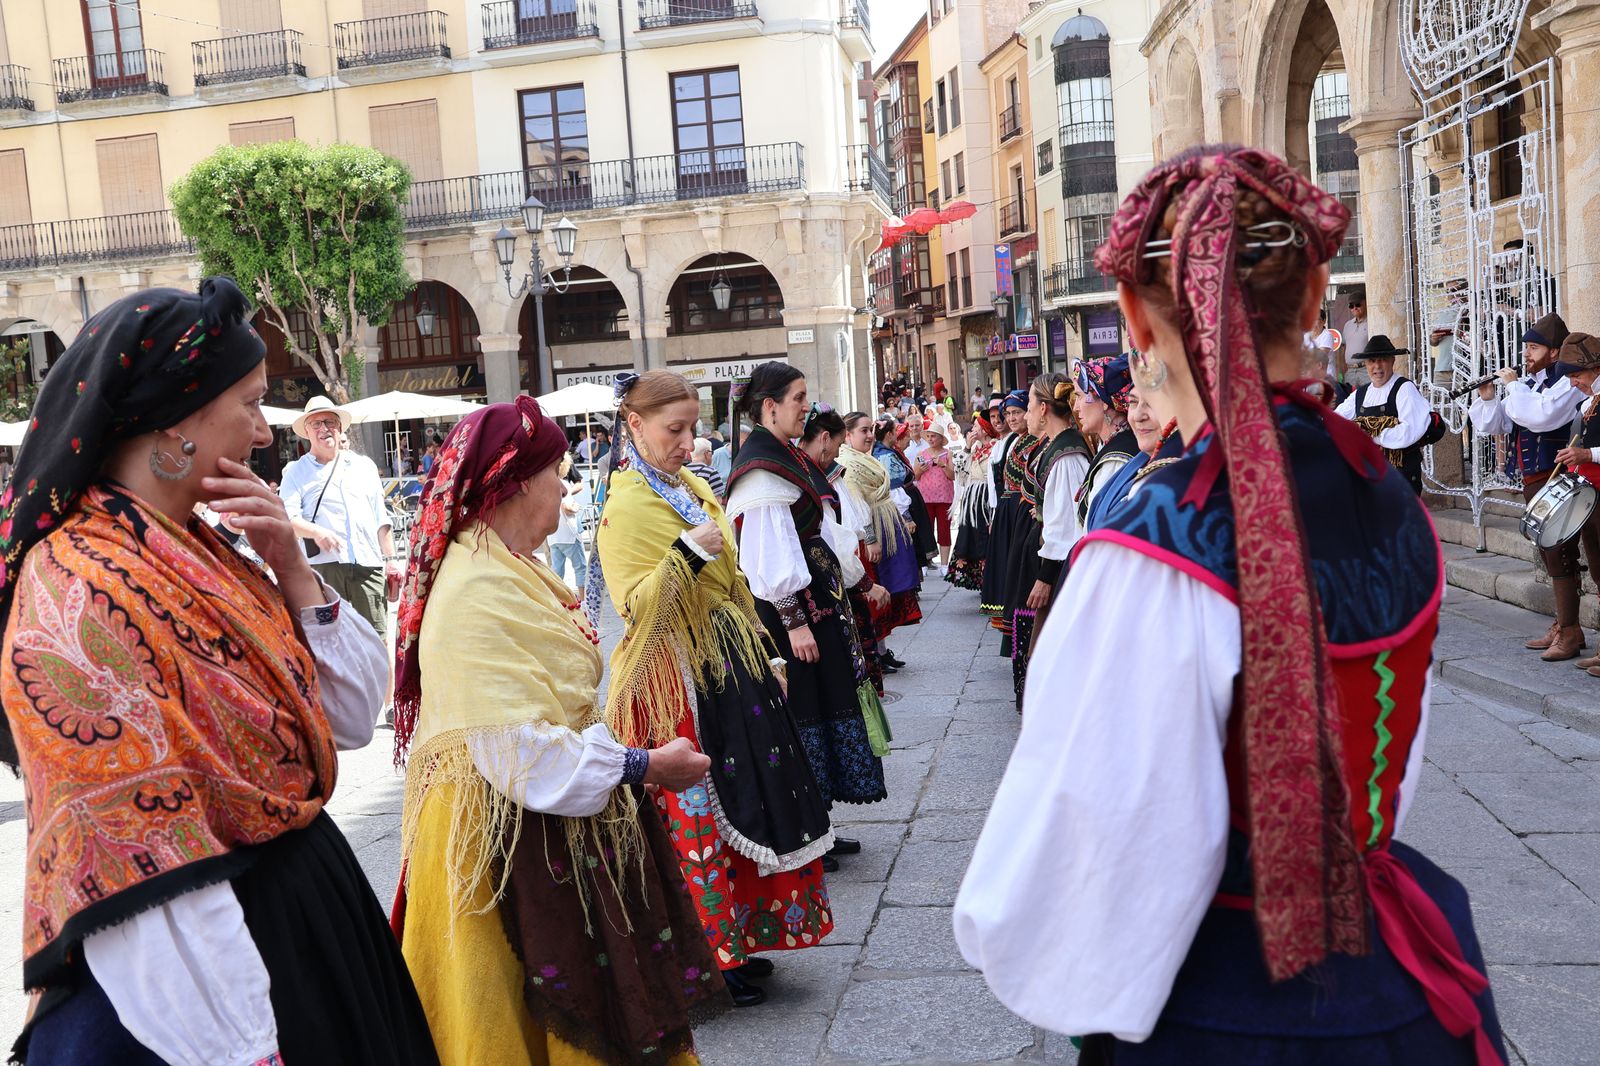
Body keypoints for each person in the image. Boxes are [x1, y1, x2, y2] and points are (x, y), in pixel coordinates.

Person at [955, 145, 1504, 1064]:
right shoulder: (1385, 491)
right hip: (1402, 977)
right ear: (1319, 287)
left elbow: (1083, 865)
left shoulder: (1157, 536)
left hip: (1227, 1009)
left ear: (1134, 315)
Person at [1, 278, 437, 1064]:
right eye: (251, 401)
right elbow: (152, 869)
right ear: (176, 423)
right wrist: (243, 1046)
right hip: (218, 960)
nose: (265, 434)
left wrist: (292, 570)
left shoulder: (199, 546)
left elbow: (347, 720)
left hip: (303, 913)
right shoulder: (80, 584)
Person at [390, 395, 727, 1062]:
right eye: (558, 473)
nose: (565, 489)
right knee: (529, 1020)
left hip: (548, 820)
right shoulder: (475, 591)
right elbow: (522, 757)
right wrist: (646, 765)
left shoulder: (509, 567)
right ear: (513, 482)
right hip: (508, 847)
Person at [725, 363, 889, 840]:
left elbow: (823, 534)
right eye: (798, 398)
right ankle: (807, 831)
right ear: (770, 406)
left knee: (823, 708)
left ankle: (820, 825)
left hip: (817, 605)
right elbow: (767, 559)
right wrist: (795, 623)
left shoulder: (785, 455)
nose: (806, 407)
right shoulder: (760, 470)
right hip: (793, 616)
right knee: (804, 717)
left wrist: (857, 584)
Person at [1471, 310, 1589, 660]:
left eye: (1534, 348)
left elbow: (1542, 416)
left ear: (1554, 351)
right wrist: (1490, 397)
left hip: (1558, 478)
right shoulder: (1534, 384)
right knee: (1549, 552)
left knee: (1559, 553)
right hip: (1534, 479)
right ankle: (1565, 626)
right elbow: (1501, 424)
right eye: (1526, 348)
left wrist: (1512, 385)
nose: (1526, 355)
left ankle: (1570, 631)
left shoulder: (1566, 383)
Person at [1001, 373, 1090, 710]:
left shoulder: (1066, 455)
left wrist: (1046, 576)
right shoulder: (1055, 447)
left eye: (1029, 406)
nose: (1024, 414)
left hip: (1054, 565)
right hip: (1039, 554)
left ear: (1043, 409)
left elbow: (1066, 524)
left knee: (1045, 641)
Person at [280, 395, 400, 643]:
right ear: (306, 431)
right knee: (332, 644)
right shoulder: (296, 472)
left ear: (340, 428)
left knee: (377, 642)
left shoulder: (364, 466)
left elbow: (380, 517)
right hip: (325, 569)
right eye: (316, 424)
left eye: (330, 422)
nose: (324, 429)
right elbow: (288, 518)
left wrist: (391, 561)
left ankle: (381, 684)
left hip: (368, 566)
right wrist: (316, 532)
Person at [839, 413, 921, 659]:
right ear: (848, 435)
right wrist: (872, 539)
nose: (869, 435)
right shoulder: (848, 464)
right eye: (863, 431)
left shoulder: (867, 458)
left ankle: (882, 650)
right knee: (876, 593)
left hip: (887, 526)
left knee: (888, 590)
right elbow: (857, 505)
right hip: (872, 533)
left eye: (870, 430)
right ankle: (875, 651)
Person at [1550, 335, 1600, 678]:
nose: (1573, 383)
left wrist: (1588, 455)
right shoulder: (1590, 403)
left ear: (1592, 367)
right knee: (1599, 571)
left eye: (1575, 375)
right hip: (1591, 497)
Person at [1335, 335, 1433, 495]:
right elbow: (1336, 421)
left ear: (1392, 360)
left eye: (1382, 360)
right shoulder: (1360, 394)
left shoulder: (1404, 389)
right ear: (1366, 364)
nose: (1377, 366)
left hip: (1401, 476)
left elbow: (1410, 432)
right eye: (1372, 361)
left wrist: (1369, 434)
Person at [1084, 384, 1166, 530]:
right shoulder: (1139, 460)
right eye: (1133, 402)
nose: (1137, 416)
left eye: (1152, 402)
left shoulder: (1120, 457)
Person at [979, 392, 1029, 623]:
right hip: (1004, 509)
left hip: (1018, 510)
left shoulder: (1022, 442)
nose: (1010, 418)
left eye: (1016, 413)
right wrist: (994, 512)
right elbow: (993, 483)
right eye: (1007, 414)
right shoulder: (1009, 443)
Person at [1072, 355, 1138, 529]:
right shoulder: (1109, 446)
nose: (1075, 407)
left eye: (1079, 396)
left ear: (1103, 402)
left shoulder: (1118, 458)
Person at [945, 411, 998, 589]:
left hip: (985, 497)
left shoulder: (996, 446)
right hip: (972, 499)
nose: (972, 430)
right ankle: (978, 580)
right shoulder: (974, 447)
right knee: (971, 537)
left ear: (983, 429)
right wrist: (967, 446)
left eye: (976, 426)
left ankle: (989, 580)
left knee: (985, 537)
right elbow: (959, 468)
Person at [912, 423, 956, 566]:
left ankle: (944, 564)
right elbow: (915, 477)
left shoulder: (948, 453)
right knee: (926, 531)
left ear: (941, 438)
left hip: (944, 497)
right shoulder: (921, 455)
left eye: (934, 436)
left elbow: (953, 476)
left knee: (944, 531)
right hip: (925, 498)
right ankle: (926, 562)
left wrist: (943, 465)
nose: (930, 439)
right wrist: (921, 470)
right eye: (929, 436)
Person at [545, 453, 589, 590]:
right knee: (580, 567)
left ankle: (557, 599)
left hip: (553, 535)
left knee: (556, 570)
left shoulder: (543, 485)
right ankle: (582, 601)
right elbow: (566, 507)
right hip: (568, 534)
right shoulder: (563, 484)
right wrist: (575, 508)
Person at [1342, 288, 1371, 390]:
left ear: (1365, 303)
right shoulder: (1347, 325)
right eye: (1351, 305)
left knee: (1368, 398)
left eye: (1358, 304)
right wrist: (1342, 368)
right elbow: (1343, 347)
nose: (1354, 308)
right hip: (1350, 371)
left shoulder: (1372, 322)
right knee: (1350, 400)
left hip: (1366, 369)